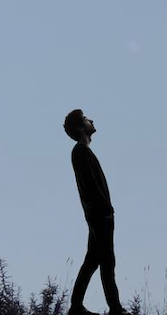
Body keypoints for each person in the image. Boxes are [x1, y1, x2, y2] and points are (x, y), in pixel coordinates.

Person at [64, 109, 125, 315]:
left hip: (99, 214)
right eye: (86, 119)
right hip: (100, 215)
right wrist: (105, 210)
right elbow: (90, 186)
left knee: (93, 260)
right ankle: (115, 309)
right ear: (82, 127)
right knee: (107, 261)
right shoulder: (80, 152)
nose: (91, 120)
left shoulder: (83, 152)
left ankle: (76, 306)